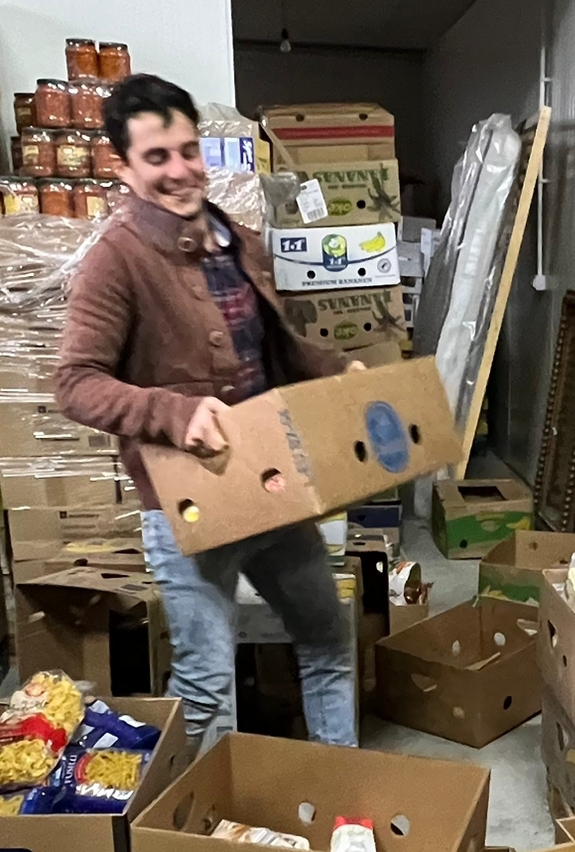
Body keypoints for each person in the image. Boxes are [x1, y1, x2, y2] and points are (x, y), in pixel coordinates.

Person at [56, 74, 363, 751]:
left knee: (327, 637)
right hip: (187, 504)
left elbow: (275, 350)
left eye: (187, 151)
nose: (179, 171)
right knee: (205, 684)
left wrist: (339, 374)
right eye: (156, 157)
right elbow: (74, 383)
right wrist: (173, 412)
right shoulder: (115, 261)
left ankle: (342, 779)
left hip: (270, 483)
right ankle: (199, 814)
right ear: (123, 167)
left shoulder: (240, 240)